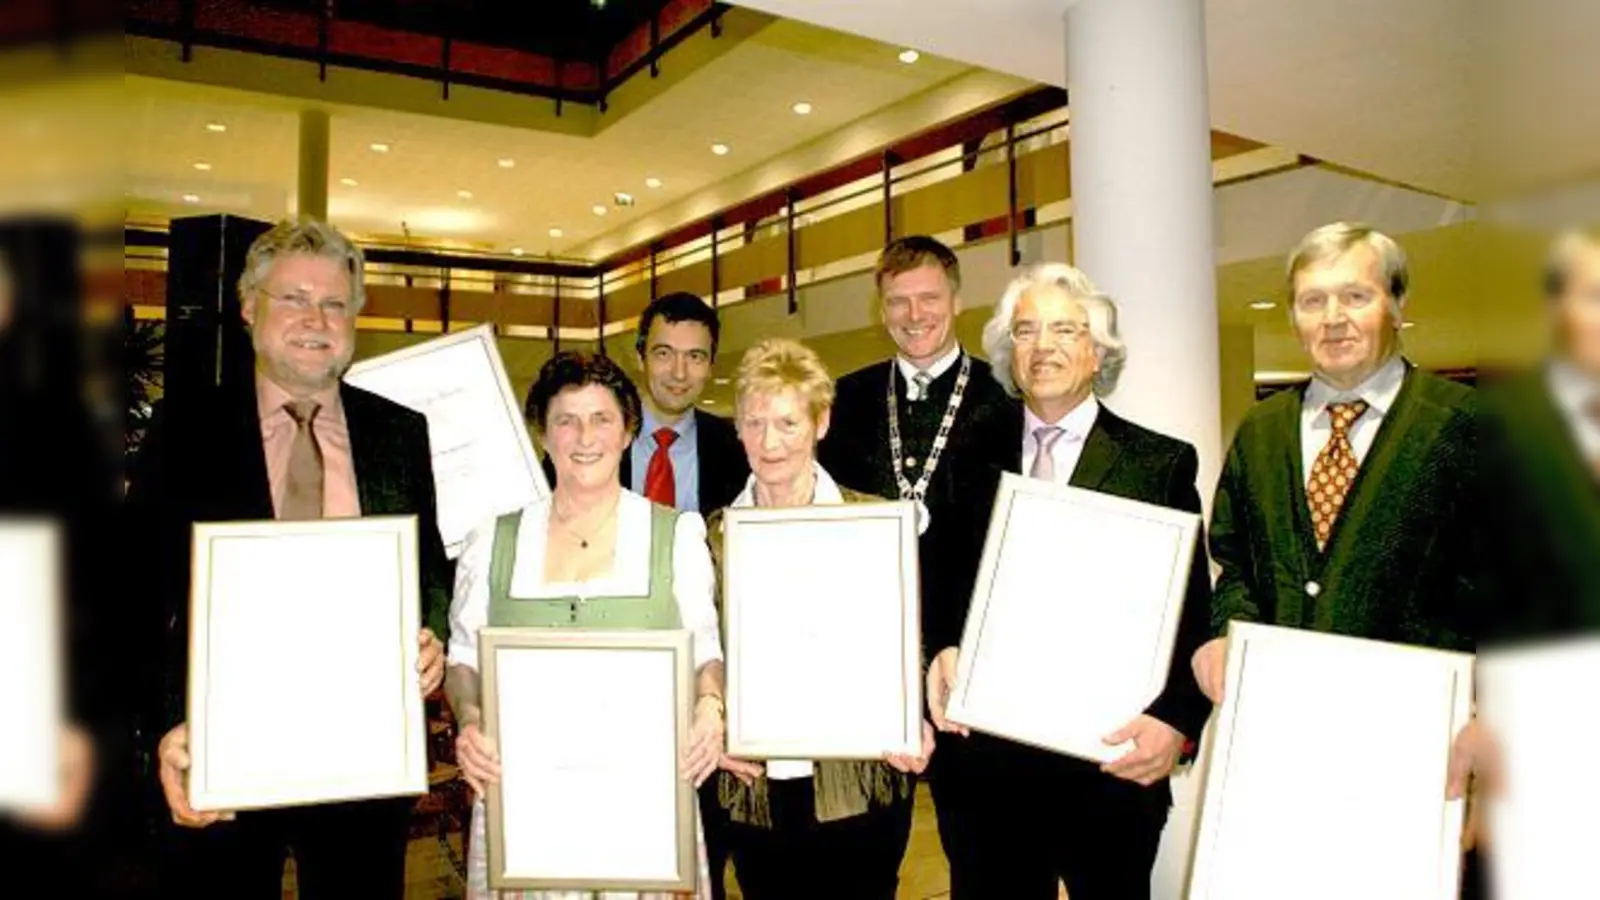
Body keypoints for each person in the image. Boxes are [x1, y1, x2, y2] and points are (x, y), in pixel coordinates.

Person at [125, 219, 452, 900]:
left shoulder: (398, 433)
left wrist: (434, 635)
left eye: (335, 303)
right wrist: (162, 730)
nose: (316, 319)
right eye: (295, 298)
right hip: (223, 756)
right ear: (249, 308)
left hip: (365, 760)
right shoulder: (185, 430)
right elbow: (136, 596)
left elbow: (428, 569)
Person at [924, 263, 1214, 900]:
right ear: (1008, 352)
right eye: (1025, 331)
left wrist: (1174, 724)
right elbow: (938, 579)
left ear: (1097, 350)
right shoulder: (969, 454)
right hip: (987, 771)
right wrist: (941, 647)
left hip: (1107, 770)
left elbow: (1195, 615)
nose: (1043, 346)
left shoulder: (1157, 463)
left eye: (1064, 329)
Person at [446, 351, 733, 900]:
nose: (585, 436)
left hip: (643, 801)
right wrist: (471, 717)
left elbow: (705, 652)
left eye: (602, 418)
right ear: (544, 434)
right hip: (528, 802)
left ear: (628, 431)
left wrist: (709, 710)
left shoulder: (675, 535)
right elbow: (463, 660)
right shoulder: (494, 540)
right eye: (566, 419)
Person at [1191, 222, 1477, 697]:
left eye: (1355, 296)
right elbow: (1237, 565)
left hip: (1418, 724)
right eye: (1312, 301)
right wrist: (1227, 633)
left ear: (1396, 306)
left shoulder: (1468, 426)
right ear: (1293, 316)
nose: (1333, 318)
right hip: (1276, 710)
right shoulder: (1261, 430)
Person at [703, 338, 935, 899]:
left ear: (821, 422)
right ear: (737, 428)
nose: (769, 441)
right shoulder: (710, 535)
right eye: (754, 423)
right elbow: (699, 654)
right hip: (753, 785)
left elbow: (909, 643)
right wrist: (709, 721)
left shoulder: (877, 522)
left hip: (860, 783)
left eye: (787, 422)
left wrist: (914, 713)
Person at [816, 236, 1009, 892]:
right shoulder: (847, 402)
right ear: (881, 309)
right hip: (872, 664)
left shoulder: (1003, 397)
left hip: (973, 662)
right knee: (863, 861)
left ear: (956, 300)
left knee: (983, 860)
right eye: (897, 301)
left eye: (928, 297)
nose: (914, 313)